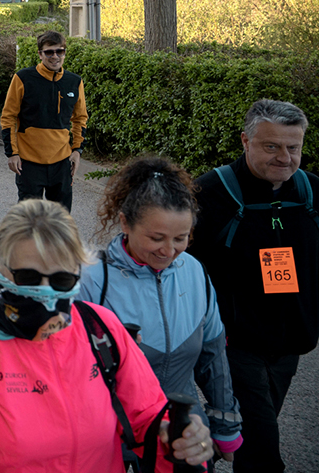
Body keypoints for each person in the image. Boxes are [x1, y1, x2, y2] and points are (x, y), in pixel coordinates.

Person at [0, 199, 215, 473]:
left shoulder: (101, 328)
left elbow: (147, 413)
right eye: (29, 278)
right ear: (0, 267)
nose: (47, 293)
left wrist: (176, 435)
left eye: (62, 280)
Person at [80, 156, 243, 467]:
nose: (168, 251)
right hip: (106, 433)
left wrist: (226, 426)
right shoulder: (91, 279)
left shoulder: (194, 271)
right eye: (156, 238)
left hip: (181, 433)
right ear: (125, 222)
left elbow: (214, 358)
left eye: (181, 239)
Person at [188, 99, 317, 473]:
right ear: (246, 141)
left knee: (251, 431)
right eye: (271, 146)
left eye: (293, 147)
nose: (285, 157)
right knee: (262, 449)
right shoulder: (209, 193)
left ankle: (200, 448)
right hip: (233, 344)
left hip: (291, 340)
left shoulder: (312, 194)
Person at [0, 31, 87, 210]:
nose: (55, 56)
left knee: (61, 224)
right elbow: (8, 117)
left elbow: (80, 119)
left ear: (64, 53)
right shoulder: (23, 78)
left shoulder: (75, 82)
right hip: (29, 164)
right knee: (29, 222)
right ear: (40, 54)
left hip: (61, 164)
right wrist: (12, 153)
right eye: (49, 52)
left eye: (59, 51)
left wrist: (77, 150)